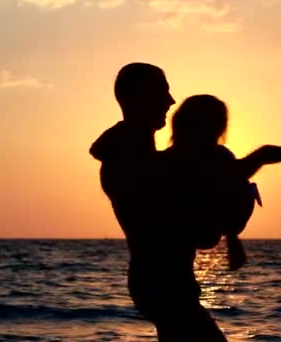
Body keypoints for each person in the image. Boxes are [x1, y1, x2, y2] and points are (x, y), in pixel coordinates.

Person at [90, 63, 227, 341]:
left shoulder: (141, 152)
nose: (170, 101)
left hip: (163, 282)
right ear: (136, 97)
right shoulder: (131, 156)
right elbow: (191, 230)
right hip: (163, 284)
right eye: (162, 91)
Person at [161, 94, 281, 270]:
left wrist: (232, 239)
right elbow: (236, 175)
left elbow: (227, 186)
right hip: (180, 241)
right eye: (217, 122)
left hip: (192, 240)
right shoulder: (182, 161)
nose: (220, 128)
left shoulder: (210, 157)